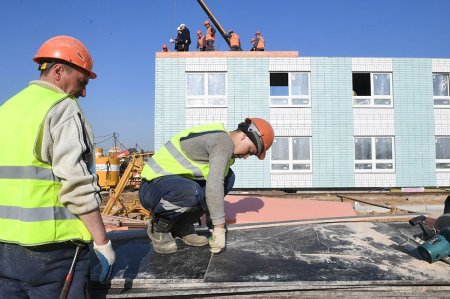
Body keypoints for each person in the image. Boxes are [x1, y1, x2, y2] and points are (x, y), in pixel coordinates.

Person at [0, 35, 115, 298]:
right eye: (82, 82)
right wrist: (102, 242)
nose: (84, 92)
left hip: (5, 251)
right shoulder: (62, 108)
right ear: (58, 71)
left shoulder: (6, 108)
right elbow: (76, 184)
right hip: (53, 254)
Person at [139, 118, 274, 254]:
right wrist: (219, 229)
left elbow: (214, 186)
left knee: (228, 177)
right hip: (152, 187)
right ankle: (159, 228)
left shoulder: (226, 151)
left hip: (173, 186)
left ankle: (182, 226)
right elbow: (214, 185)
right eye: (250, 151)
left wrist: (210, 217)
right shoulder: (223, 142)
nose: (246, 157)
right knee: (192, 191)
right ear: (244, 136)